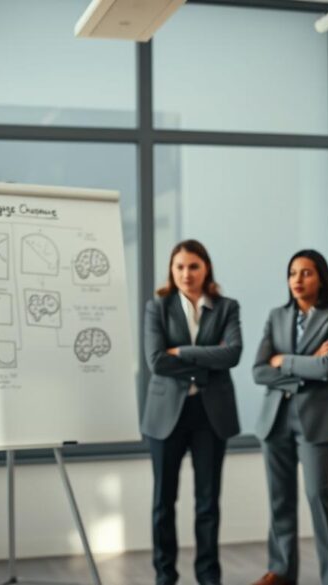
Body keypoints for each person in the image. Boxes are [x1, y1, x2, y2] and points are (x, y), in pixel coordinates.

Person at [141, 239, 243, 585]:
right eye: (180, 267)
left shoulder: (227, 307)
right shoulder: (157, 307)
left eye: (194, 266)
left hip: (210, 414)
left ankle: (208, 577)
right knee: (163, 504)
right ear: (172, 270)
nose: (186, 274)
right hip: (166, 414)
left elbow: (232, 355)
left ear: (206, 268)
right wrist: (205, 359)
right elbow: (156, 361)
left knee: (207, 503)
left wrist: (181, 352)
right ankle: (165, 576)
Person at [251, 249, 328, 585]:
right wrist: (303, 363)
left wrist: (285, 360)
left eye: (306, 272)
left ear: (321, 277)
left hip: (316, 420)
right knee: (280, 500)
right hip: (275, 419)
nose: (297, 279)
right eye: (293, 272)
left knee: (318, 497)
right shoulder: (276, 316)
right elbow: (258, 371)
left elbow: (327, 368)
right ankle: (280, 572)